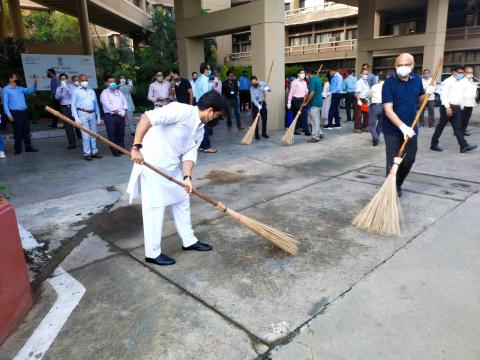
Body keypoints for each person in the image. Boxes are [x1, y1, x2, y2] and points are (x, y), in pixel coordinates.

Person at [127, 90, 226, 266]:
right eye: (217, 116)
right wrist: (136, 147)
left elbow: (189, 154)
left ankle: (189, 241)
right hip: (151, 164)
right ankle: (152, 253)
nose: (215, 120)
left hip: (171, 166)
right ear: (210, 111)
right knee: (155, 208)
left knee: (182, 199)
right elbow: (147, 118)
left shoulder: (200, 129)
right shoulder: (180, 111)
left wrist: (187, 177)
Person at [382, 53, 434, 197]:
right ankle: (390, 190)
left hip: (412, 127)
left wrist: (428, 94)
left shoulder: (417, 79)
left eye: (406, 64)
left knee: (409, 159)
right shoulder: (389, 83)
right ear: (395, 65)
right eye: (399, 65)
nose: (402, 67)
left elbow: (420, 99)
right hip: (392, 129)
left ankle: (398, 183)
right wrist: (402, 127)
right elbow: (388, 109)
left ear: (412, 65)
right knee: (392, 162)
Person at [430, 65, 477, 153]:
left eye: (463, 73)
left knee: (458, 127)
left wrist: (462, 106)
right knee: (441, 126)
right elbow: (443, 96)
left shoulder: (463, 81)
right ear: (454, 72)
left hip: (457, 108)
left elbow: (468, 89)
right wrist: (447, 107)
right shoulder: (447, 82)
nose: (462, 74)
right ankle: (433, 144)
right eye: (460, 73)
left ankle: (463, 146)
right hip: (447, 108)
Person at [3, 73, 39, 155]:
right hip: (15, 113)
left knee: (26, 130)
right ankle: (18, 149)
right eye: (15, 77)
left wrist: (35, 84)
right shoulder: (6, 89)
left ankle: (28, 147)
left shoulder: (20, 88)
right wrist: (8, 114)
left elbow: (30, 91)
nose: (17, 78)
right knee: (18, 130)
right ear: (10, 79)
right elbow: (5, 103)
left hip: (24, 112)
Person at [71, 74, 103, 161]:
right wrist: (76, 118)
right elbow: (73, 106)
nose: (84, 82)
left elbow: (96, 104)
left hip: (92, 114)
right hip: (82, 114)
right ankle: (87, 153)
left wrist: (98, 116)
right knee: (85, 136)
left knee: (94, 134)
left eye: (86, 80)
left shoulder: (91, 91)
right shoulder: (76, 91)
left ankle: (94, 151)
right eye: (82, 80)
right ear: (79, 81)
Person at [100, 75, 128, 157]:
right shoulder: (104, 93)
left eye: (113, 81)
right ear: (107, 83)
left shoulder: (119, 92)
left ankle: (121, 149)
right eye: (110, 82)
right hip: (110, 117)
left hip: (121, 116)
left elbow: (125, 102)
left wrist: (124, 110)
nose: (113, 83)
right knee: (112, 134)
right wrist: (118, 112)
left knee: (121, 133)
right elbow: (107, 104)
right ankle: (115, 151)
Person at [195, 63, 217, 153]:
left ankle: (201, 145)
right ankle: (207, 147)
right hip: (205, 105)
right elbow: (206, 95)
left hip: (199, 105)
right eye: (209, 69)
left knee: (201, 127)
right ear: (205, 70)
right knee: (206, 126)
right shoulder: (204, 81)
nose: (210, 70)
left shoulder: (198, 80)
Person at [55, 73, 78, 149]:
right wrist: (62, 89)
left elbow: (73, 95)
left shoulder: (72, 87)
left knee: (78, 124)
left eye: (64, 78)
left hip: (73, 107)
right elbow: (57, 97)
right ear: (60, 80)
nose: (63, 80)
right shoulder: (58, 88)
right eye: (61, 79)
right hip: (64, 108)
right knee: (68, 126)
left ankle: (81, 139)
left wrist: (67, 88)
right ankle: (72, 143)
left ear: (67, 79)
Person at [287, 69, 310, 136]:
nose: (303, 74)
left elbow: (305, 91)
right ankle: (301, 131)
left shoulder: (304, 82)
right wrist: (289, 102)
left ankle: (303, 130)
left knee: (302, 116)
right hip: (295, 100)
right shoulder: (294, 82)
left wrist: (306, 91)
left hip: (302, 100)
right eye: (301, 73)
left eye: (304, 73)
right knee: (298, 116)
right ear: (298, 74)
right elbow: (291, 92)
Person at [366, 73, 386, 146]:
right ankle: (376, 137)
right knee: (380, 125)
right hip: (385, 107)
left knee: (371, 124)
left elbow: (367, 95)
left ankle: (375, 137)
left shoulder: (375, 86)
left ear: (378, 79)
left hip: (375, 107)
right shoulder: (387, 87)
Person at [250, 75, 272, 139]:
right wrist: (258, 105)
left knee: (264, 118)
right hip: (256, 104)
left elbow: (270, 89)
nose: (254, 84)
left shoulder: (262, 83)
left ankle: (264, 133)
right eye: (253, 83)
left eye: (255, 83)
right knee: (256, 119)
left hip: (263, 102)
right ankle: (256, 134)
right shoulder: (251, 88)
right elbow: (253, 99)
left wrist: (267, 88)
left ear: (257, 81)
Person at [306, 72, 323, 143]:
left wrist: (306, 102)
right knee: (317, 119)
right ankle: (320, 133)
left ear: (309, 74)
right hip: (319, 102)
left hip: (314, 103)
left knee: (314, 120)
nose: (306, 76)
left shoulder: (312, 80)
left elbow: (312, 92)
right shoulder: (318, 79)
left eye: (307, 74)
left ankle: (315, 137)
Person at [354, 68, 370, 133]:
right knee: (359, 114)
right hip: (360, 99)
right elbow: (358, 91)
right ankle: (357, 128)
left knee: (366, 113)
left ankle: (364, 127)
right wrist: (358, 100)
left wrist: (368, 99)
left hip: (365, 99)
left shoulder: (366, 82)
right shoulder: (359, 82)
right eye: (364, 74)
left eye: (367, 74)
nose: (365, 75)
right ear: (361, 74)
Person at [461, 66, 476, 136]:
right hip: (464, 103)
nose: (470, 74)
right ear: (464, 73)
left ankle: (463, 130)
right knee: (462, 118)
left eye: (471, 72)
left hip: (471, 103)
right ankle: (459, 131)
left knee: (467, 118)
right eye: (468, 72)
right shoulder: (462, 81)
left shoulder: (471, 80)